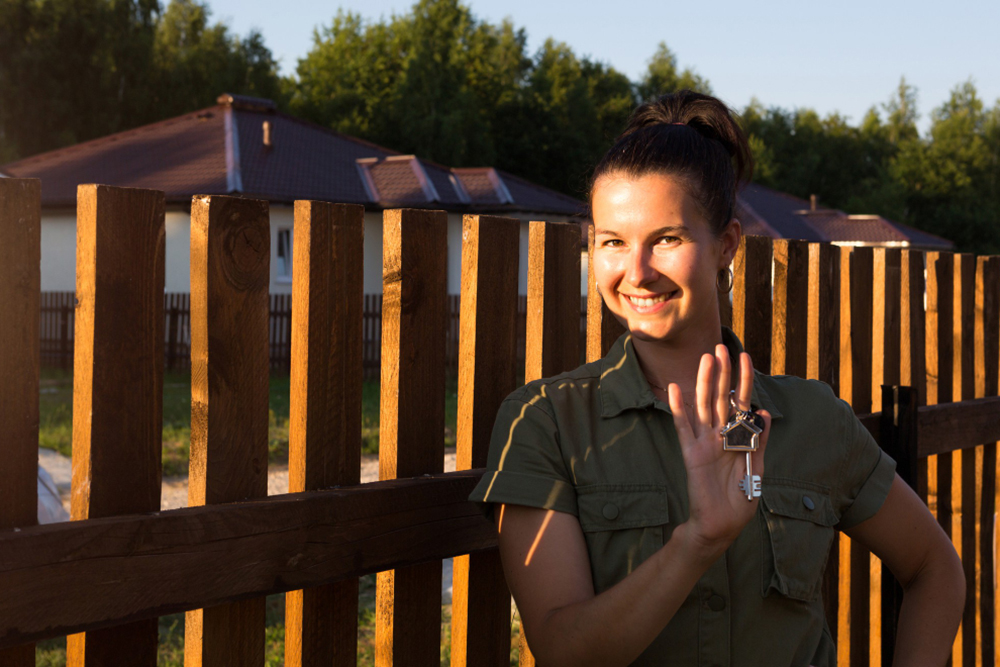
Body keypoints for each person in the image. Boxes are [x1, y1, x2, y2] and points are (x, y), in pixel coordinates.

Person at [468, 90, 964, 666]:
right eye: (612, 243)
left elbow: (935, 568)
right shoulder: (547, 422)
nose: (636, 271)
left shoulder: (812, 418)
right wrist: (698, 540)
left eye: (667, 239)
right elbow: (562, 650)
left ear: (725, 245)